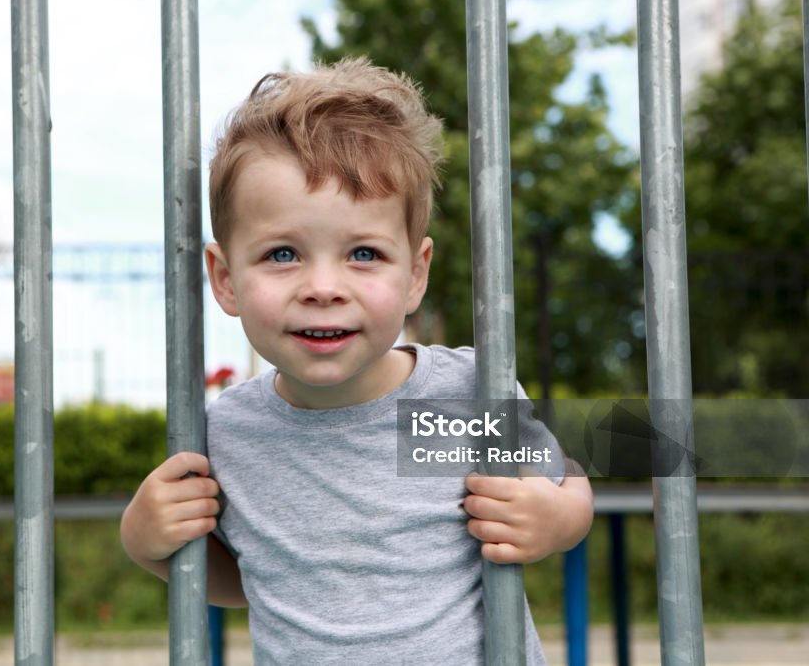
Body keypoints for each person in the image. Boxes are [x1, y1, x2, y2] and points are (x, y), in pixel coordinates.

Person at [120, 57, 593, 664]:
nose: (323, 286)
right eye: (283, 253)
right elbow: (251, 583)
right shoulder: (229, 431)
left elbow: (566, 477)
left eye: (363, 253)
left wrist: (557, 520)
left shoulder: (459, 394)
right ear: (225, 278)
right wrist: (147, 543)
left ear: (415, 274)